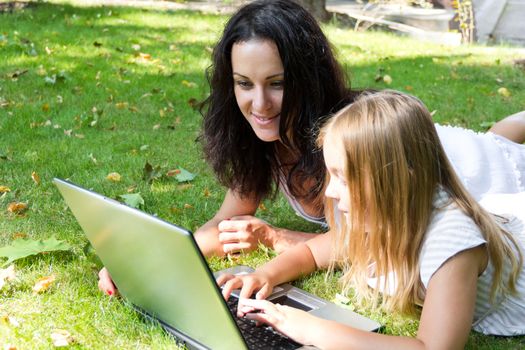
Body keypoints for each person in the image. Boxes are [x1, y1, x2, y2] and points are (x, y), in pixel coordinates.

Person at [98, 0, 525, 295]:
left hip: (479, 174)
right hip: (469, 148)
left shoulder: (346, 137)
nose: (259, 104)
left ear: (307, 78)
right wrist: (142, 260)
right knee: (499, 134)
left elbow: (365, 245)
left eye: (278, 84)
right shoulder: (260, 137)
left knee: (501, 147)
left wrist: (275, 236)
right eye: (244, 84)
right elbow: (225, 226)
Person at [218, 90, 525, 349]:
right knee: (502, 136)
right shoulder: (381, 212)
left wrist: (310, 328)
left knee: (504, 143)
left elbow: (433, 347)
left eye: (343, 178)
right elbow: (312, 252)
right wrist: (264, 275)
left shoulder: (452, 241)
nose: (331, 192)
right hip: (504, 213)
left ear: (395, 181)